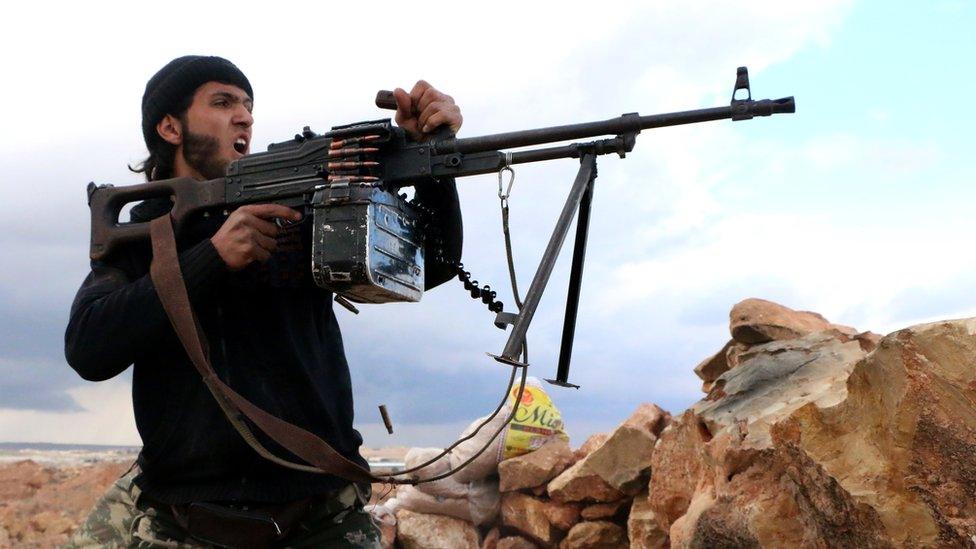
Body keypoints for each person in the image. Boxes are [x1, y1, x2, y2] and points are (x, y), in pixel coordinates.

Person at [64, 55, 463, 547]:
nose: (245, 116)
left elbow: (430, 265)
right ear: (170, 127)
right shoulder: (143, 232)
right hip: (189, 516)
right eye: (223, 101)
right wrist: (212, 257)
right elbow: (88, 348)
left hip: (322, 511)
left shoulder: (298, 211)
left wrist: (431, 160)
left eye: (248, 105)